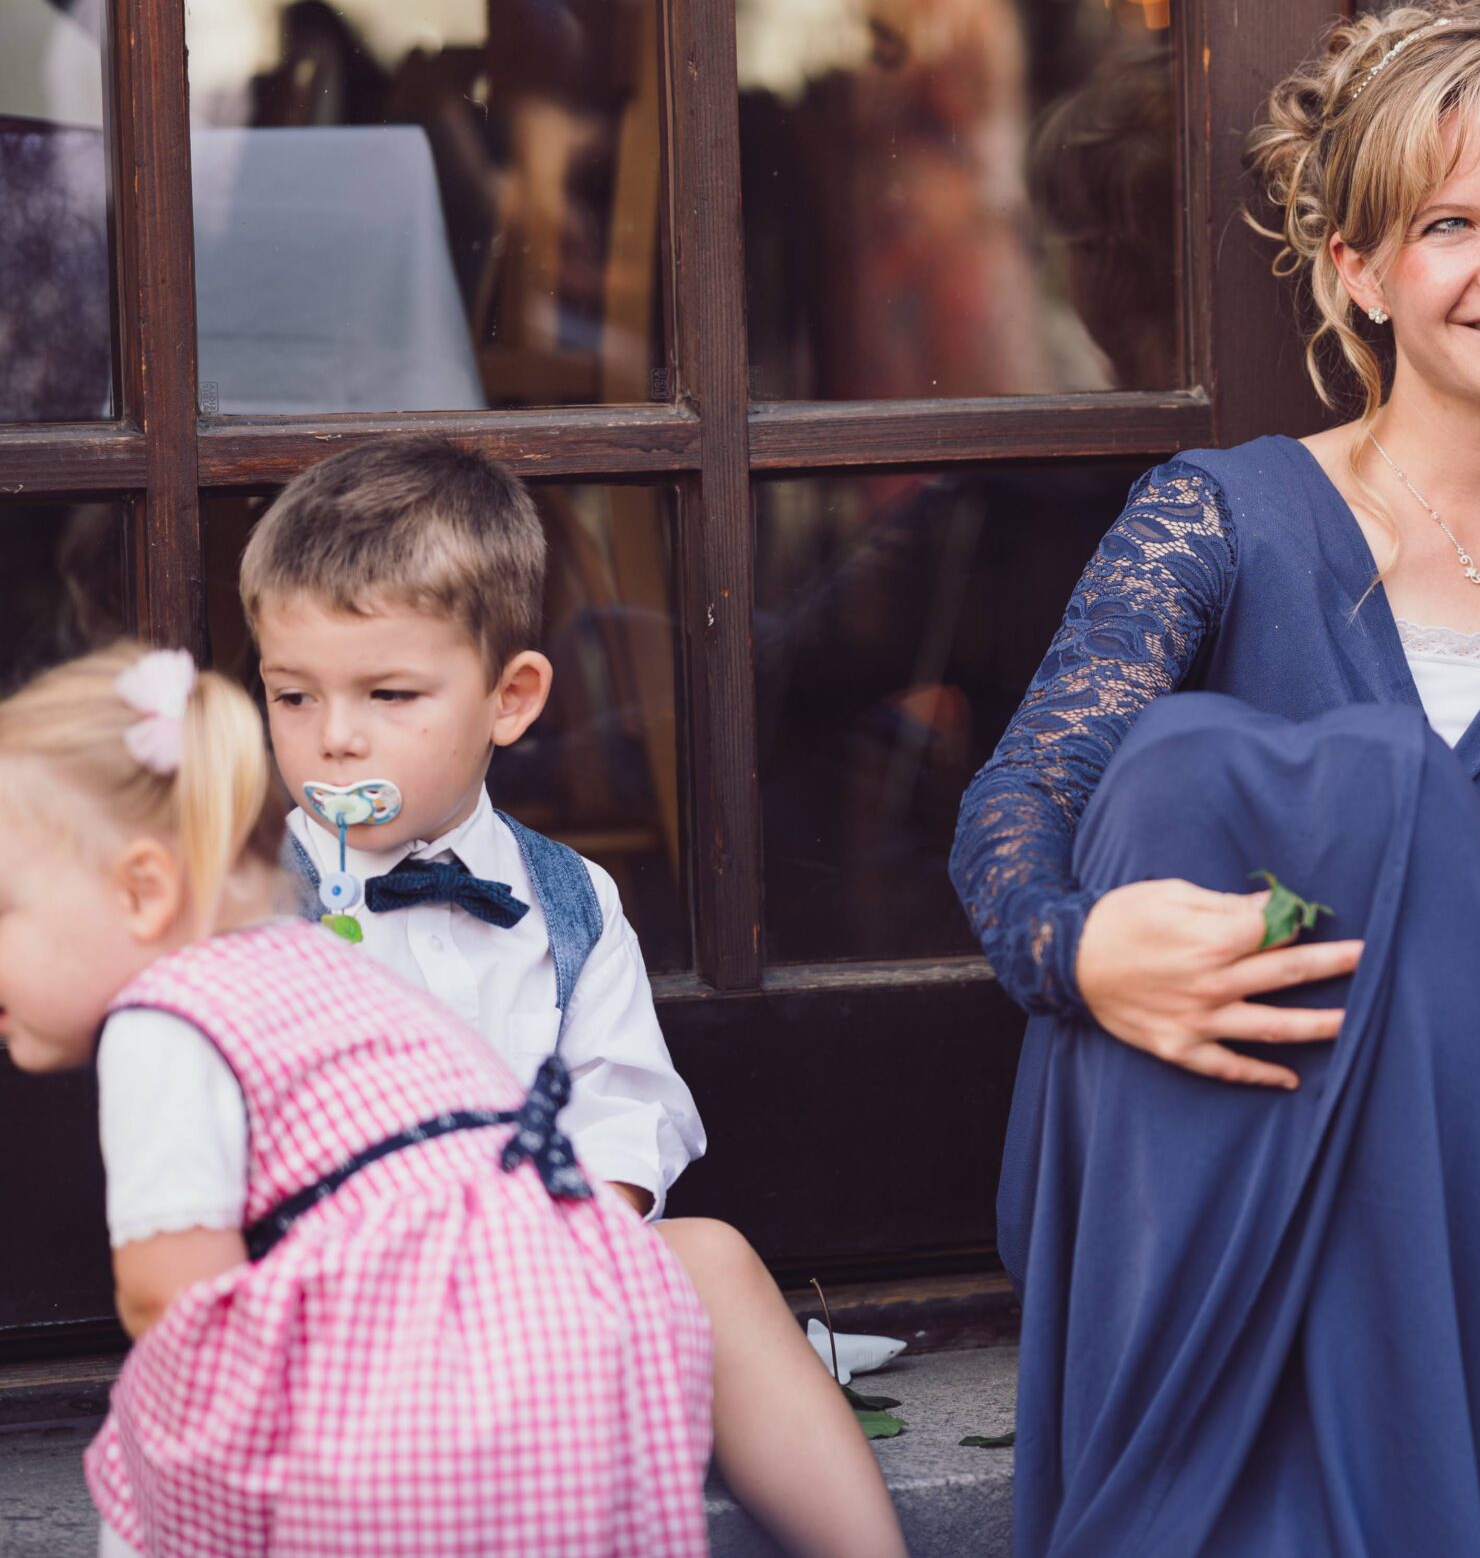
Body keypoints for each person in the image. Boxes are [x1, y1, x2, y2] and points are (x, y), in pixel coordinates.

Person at [949, 0, 1480, 1556]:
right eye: (1450, 224)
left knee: (1369, 772)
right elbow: (1020, 800)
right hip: (1200, 1151)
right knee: (1176, 761)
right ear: (1358, 271)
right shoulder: (1220, 513)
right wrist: (1077, 950)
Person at [234, 439, 906, 1558]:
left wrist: (571, 1223)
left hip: (539, 1268)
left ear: (510, 698)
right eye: (293, 694)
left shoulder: (569, 897)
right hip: (353, 1298)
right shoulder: (250, 902)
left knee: (710, 1257)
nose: (335, 736)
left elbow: (624, 1094)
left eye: (389, 694)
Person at [0, 643, 712, 1556]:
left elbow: (173, 1305)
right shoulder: (316, 965)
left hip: (398, 1414)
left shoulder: (163, 1019)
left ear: (145, 890)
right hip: (572, 1366)